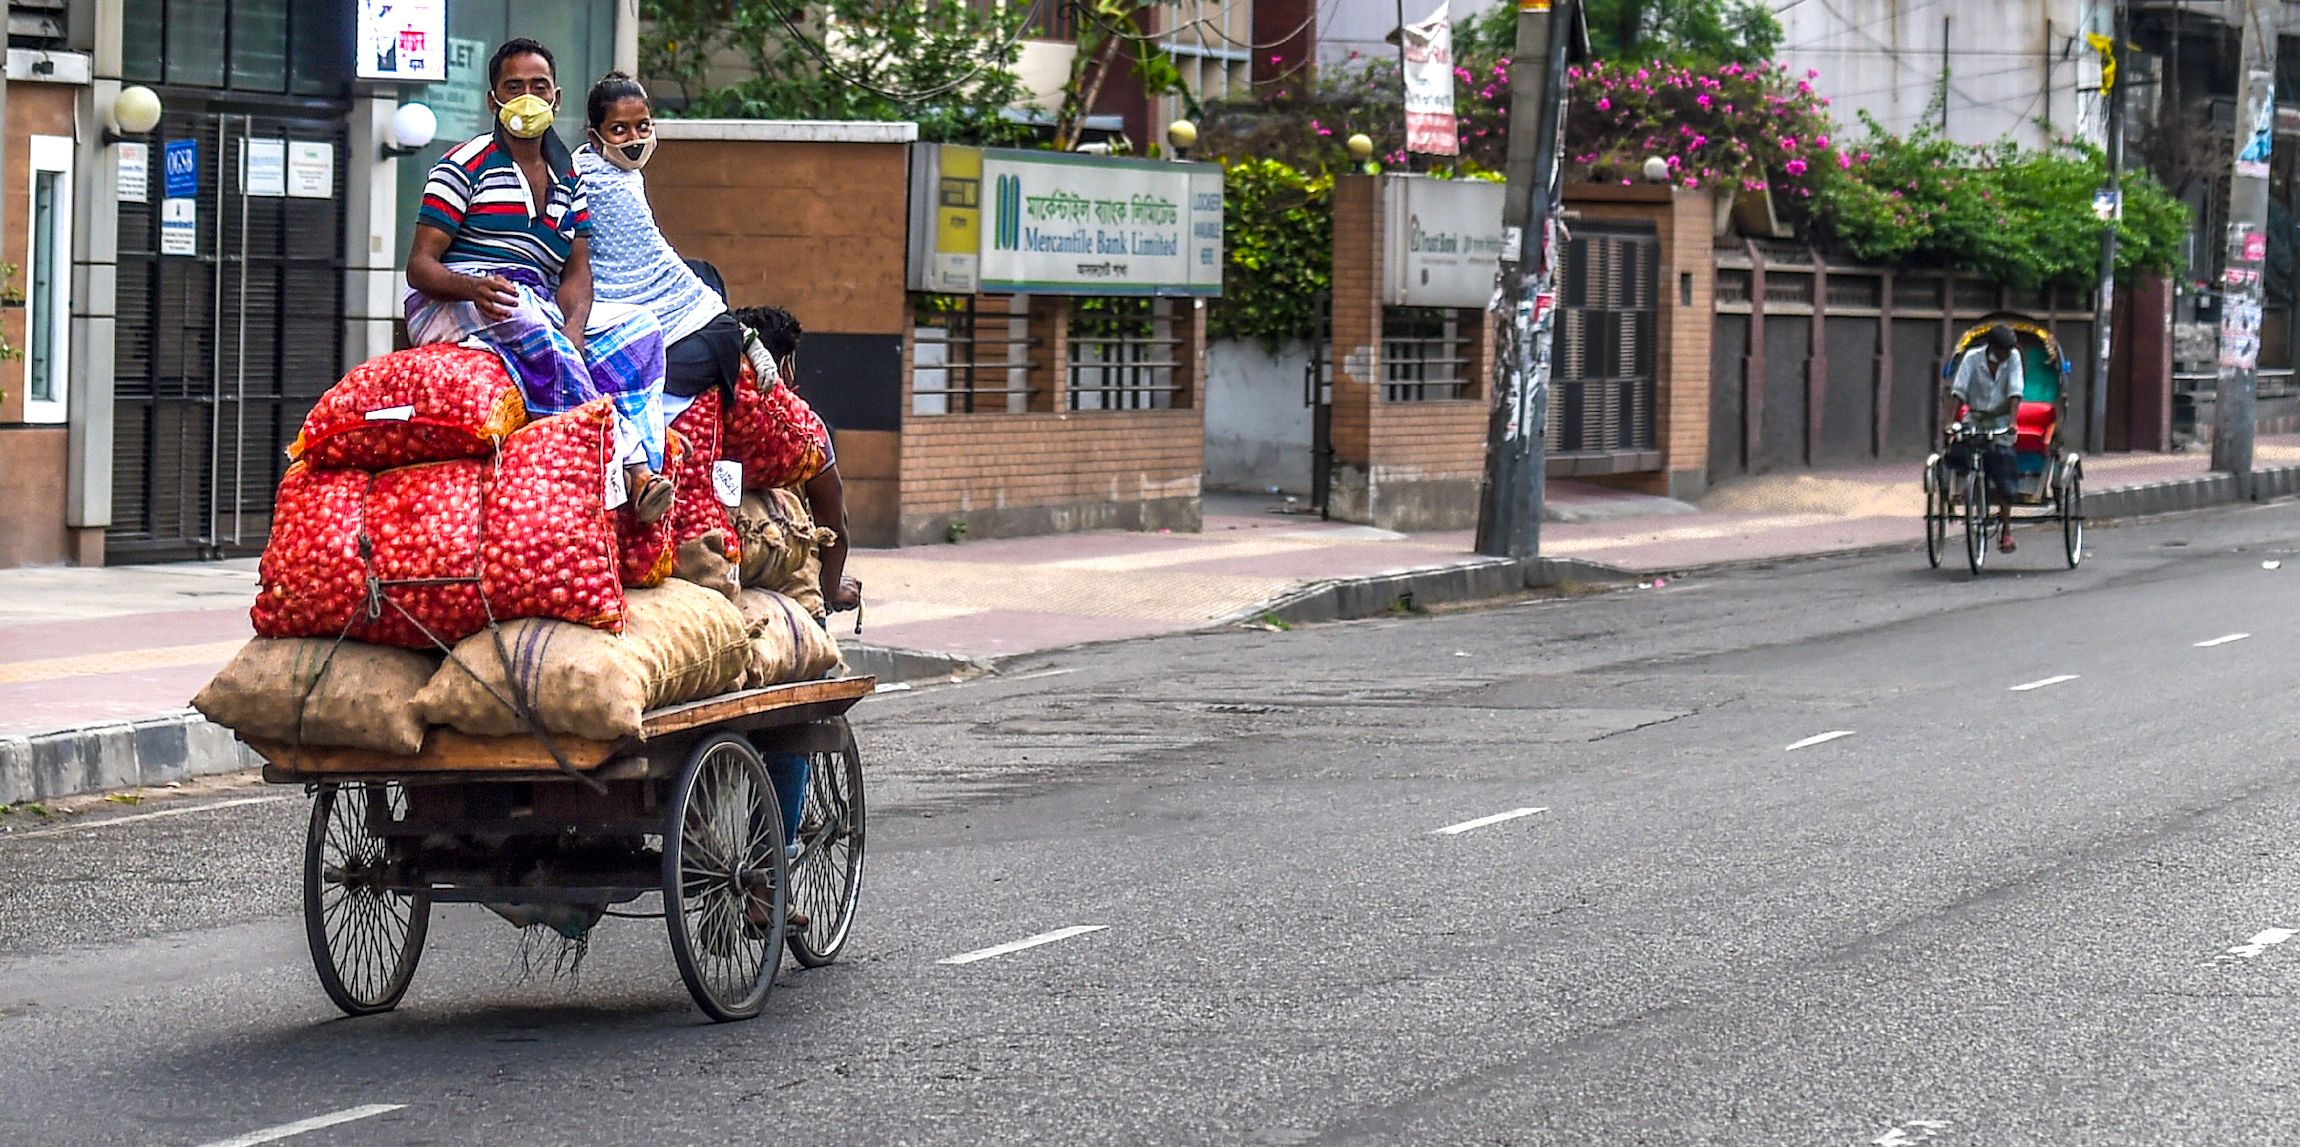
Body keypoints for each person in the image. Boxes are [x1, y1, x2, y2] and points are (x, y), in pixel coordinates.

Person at [404, 39, 674, 522]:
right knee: (520, 310)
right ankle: (631, 465)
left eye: (538, 86)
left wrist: (574, 327)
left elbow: (577, 270)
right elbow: (420, 267)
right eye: (514, 87)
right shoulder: (463, 165)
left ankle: (647, 471)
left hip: (536, 304)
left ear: (557, 98)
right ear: (494, 100)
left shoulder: (568, 177)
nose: (527, 97)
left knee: (641, 330)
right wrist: (473, 287)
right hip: (459, 298)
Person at [573, 72, 746, 420]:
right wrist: (739, 330)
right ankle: (653, 406)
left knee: (704, 272)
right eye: (619, 129)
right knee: (725, 334)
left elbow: (656, 256)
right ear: (595, 136)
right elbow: (647, 259)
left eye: (643, 126)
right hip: (611, 303)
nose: (634, 139)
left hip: (624, 298)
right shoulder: (606, 185)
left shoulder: (614, 170)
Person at [1945, 323, 2025, 552]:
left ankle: (2007, 532)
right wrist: (1951, 423)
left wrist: (2012, 422)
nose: (2007, 354)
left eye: (2009, 350)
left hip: (2001, 422)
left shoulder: (2013, 359)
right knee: (1958, 451)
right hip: (1976, 418)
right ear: (1993, 347)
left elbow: (2015, 392)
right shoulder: (1972, 358)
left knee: (2004, 472)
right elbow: (1959, 391)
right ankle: (1967, 489)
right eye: (2003, 350)